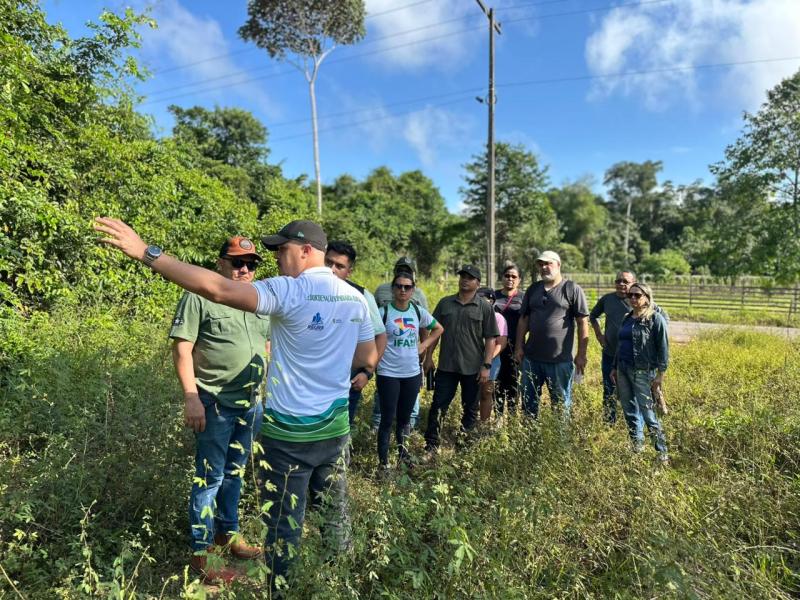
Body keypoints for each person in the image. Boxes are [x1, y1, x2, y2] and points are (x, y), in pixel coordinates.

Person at [94, 217, 378, 587]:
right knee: (334, 518)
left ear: (306, 251)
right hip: (334, 430)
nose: (277, 259)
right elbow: (367, 356)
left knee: (283, 527)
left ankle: (284, 591)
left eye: (282, 250)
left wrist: (148, 253)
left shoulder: (288, 291)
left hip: (288, 437)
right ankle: (338, 586)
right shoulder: (355, 298)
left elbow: (218, 290)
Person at [170, 236, 270, 584]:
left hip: (250, 403)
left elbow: (266, 343)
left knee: (235, 473)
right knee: (209, 478)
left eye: (251, 264)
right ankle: (203, 555)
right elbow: (183, 349)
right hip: (213, 403)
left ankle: (228, 534)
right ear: (221, 264)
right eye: (238, 262)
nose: (244, 269)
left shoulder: (258, 301)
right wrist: (191, 396)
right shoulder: (199, 296)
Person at [423, 265, 499, 453]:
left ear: (478, 283)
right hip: (447, 366)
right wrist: (428, 357)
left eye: (470, 277)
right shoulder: (445, 303)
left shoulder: (484, 307)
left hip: (473, 368)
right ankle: (431, 446)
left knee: (470, 409)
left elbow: (491, 338)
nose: (465, 280)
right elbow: (435, 332)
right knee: (438, 407)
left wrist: (486, 365)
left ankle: (464, 446)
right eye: (463, 276)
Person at [375, 273, 443, 469]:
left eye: (407, 287)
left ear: (413, 290)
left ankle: (403, 457)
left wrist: (424, 345)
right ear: (393, 288)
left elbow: (438, 328)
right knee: (387, 419)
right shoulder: (383, 312)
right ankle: (383, 463)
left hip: (412, 374)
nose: (402, 290)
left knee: (405, 419)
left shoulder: (417, 311)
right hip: (388, 373)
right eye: (398, 286)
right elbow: (370, 335)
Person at [514, 251, 589, 419]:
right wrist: (519, 346)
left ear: (558, 265)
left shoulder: (572, 289)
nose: (544, 267)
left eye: (548, 263)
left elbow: (582, 322)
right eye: (541, 264)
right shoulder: (534, 289)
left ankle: (560, 444)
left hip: (560, 361)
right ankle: (529, 439)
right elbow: (523, 320)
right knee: (528, 403)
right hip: (532, 358)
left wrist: (581, 355)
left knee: (561, 405)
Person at [325, 241, 387, 426]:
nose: (332, 269)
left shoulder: (361, 295)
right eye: (328, 262)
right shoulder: (306, 289)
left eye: (339, 266)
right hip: (310, 381)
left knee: (341, 432)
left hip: (347, 382)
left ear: (349, 271)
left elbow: (380, 336)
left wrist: (367, 373)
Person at [611, 282, 669, 462]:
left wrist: (660, 375)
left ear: (647, 297)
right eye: (630, 295)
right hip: (623, 369)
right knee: (629, 411)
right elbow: (620, 345)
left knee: (648, 413)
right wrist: (614, 367)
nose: (633, 298)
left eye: (637, 295)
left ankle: (662, 453)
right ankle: (637, 448)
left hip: (643, 371)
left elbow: (663, 348)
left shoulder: (654, 318)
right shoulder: (627, 318)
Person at [373, 257, 430, 430]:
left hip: (409, 352)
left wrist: (423, 350)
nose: (403, 289)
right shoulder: (381, 290)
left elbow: (424, 325)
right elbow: (375, 323)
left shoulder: (418, 294)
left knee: (412, 391)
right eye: (400, 268)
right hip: (386, 353)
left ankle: (408, 427)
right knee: (383, 391)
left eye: (407, 269)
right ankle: (377, 425)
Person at [589, 270, 636, 425]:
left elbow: (659, 317)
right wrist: (599, 335)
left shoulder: (637, 300)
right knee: (609, 389)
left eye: (625, 281)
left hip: (631, 356)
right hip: (609, 353)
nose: (621, 284)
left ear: (633, 283)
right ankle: (609, 422)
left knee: (631, 391)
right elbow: (593, 316)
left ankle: (633, 423)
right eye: (618, 281)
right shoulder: (607, 299)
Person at [493, 263, 524, 414]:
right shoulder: (494, 296)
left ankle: (512, 417)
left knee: (513, 383)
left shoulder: (523, 298)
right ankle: (498, 416)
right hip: (495, 347)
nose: (510, 279)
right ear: (502, 278)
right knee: (497, 381)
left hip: (515, 347)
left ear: (519, 280)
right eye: (507, 276)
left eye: (514, 276)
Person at [476, 287, 508, 423]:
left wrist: (487, 359)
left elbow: (501, 343)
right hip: (471, 359)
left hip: (492, 361)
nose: (482, 303)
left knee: (486, 392)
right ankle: (470, 422)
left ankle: (483, 424)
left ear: (492, 301)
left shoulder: (498, 318)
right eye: (479, 300)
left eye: (485, 300)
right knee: (472, 393)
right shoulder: (472, 316)